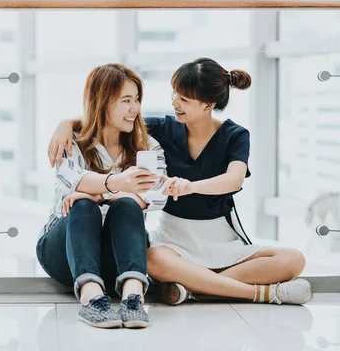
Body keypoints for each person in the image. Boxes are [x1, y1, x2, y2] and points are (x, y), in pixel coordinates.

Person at [48, 58, 312, 306]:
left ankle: (193, 289)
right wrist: (66, 123)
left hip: (221, 236)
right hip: (173, 240)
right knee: (152, 258)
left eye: (184, 99)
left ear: (207, 105)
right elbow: (109, 117)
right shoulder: (164, 128)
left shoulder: (235, 135)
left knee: (293, 260)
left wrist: (191, 186)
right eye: (174, 94)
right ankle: (260, 294)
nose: (175, 103)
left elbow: (234, 180)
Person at [37, 63, 168, 329]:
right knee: (84, 204)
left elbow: (157, 195)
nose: (136, 109)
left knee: (127, 206)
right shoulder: (70, 141)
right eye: (127, 101)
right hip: (65, 252)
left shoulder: (148, 147)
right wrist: (117, 184)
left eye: (137, 100)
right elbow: (71, 181)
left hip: (117, 256)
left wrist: (107, 194)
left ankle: (133, 297)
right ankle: (91, 299)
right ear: (103, 102)